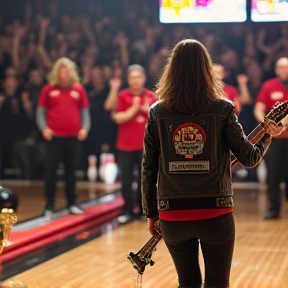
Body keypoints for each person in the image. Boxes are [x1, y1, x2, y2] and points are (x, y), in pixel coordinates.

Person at [141, 39, 282, 288]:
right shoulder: (223, 108)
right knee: (217, 284)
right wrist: (268, 135)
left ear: (171, 70)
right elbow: (249, 158)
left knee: (187, 282)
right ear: (207, 70)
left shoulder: (157, 112)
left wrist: (152, 213)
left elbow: (148, 168)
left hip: (172, 213)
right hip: (216, 212)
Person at [36, 57, 90, 219]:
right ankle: (49, 204)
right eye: (61, 72)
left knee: (71, 172)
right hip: (54, 137)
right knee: (50, 171)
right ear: (57, 73)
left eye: (66, 72)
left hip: (73, 137)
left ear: (71, 73)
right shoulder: (48, 89)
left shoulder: (78, 89)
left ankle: (71, 203)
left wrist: (85, 128)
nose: (64, 75)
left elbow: (85, 112)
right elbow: (40, 112)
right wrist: (44, 128)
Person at [112, 64, 156, 224]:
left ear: (143, 78)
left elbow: (157, 120)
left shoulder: (151, 96)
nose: (135, 81)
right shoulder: (123, 95)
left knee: (146, 180)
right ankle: (128, 210)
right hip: (125, 145)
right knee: (126, 179)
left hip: (146, 146)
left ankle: (144, 211)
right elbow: (118, 118)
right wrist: (135, 109)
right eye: (132, 77)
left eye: (138, 77)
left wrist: (146, 109)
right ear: (128, 80)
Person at [254, 57, 288, 220]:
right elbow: (258, 109)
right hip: (273, 140)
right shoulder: (268, 86)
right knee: (272, 175)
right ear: (276, 70)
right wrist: (267, 125)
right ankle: (274, 208)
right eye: (281, 68)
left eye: (287, 68)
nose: (284, 71)